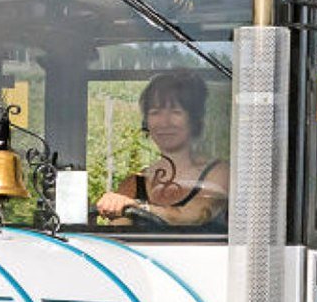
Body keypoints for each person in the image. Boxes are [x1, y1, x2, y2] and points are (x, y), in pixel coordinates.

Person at [95, 71, 229, 229]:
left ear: (194, 119)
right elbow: (118, 232)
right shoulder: (133, 184)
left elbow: (197, 214)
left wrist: (138, 207)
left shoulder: (220, 173)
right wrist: (112, 208)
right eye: (155, 112)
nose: (164, 122)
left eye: (175, 112)